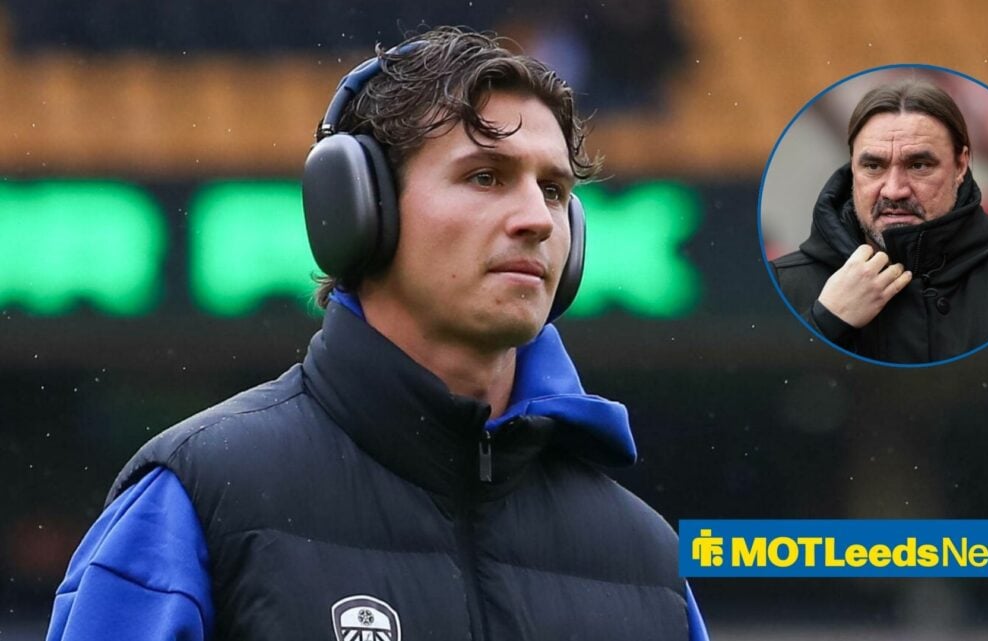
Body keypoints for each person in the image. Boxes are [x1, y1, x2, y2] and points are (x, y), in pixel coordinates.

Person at [47, 27, 708, 641]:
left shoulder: (646, 561)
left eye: (556, 190)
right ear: (359, 209)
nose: (538, 219)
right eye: (486, 176)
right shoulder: (197, 499)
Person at [770, 79, 988, 364]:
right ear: (852, 166)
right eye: (873, 165)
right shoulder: (786, 282)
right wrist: (827, 320)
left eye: (919, 165)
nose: (893, 190)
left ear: (961, 165)